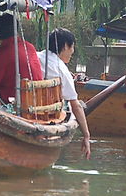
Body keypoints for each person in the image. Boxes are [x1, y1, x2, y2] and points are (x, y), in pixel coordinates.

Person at [37, 28, 92, 158]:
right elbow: (76, 106)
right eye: (72, 47)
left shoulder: (36, 56)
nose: (72, 51)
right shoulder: (61, 69)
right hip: (47, 115)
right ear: (66, 46)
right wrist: (86, 135)